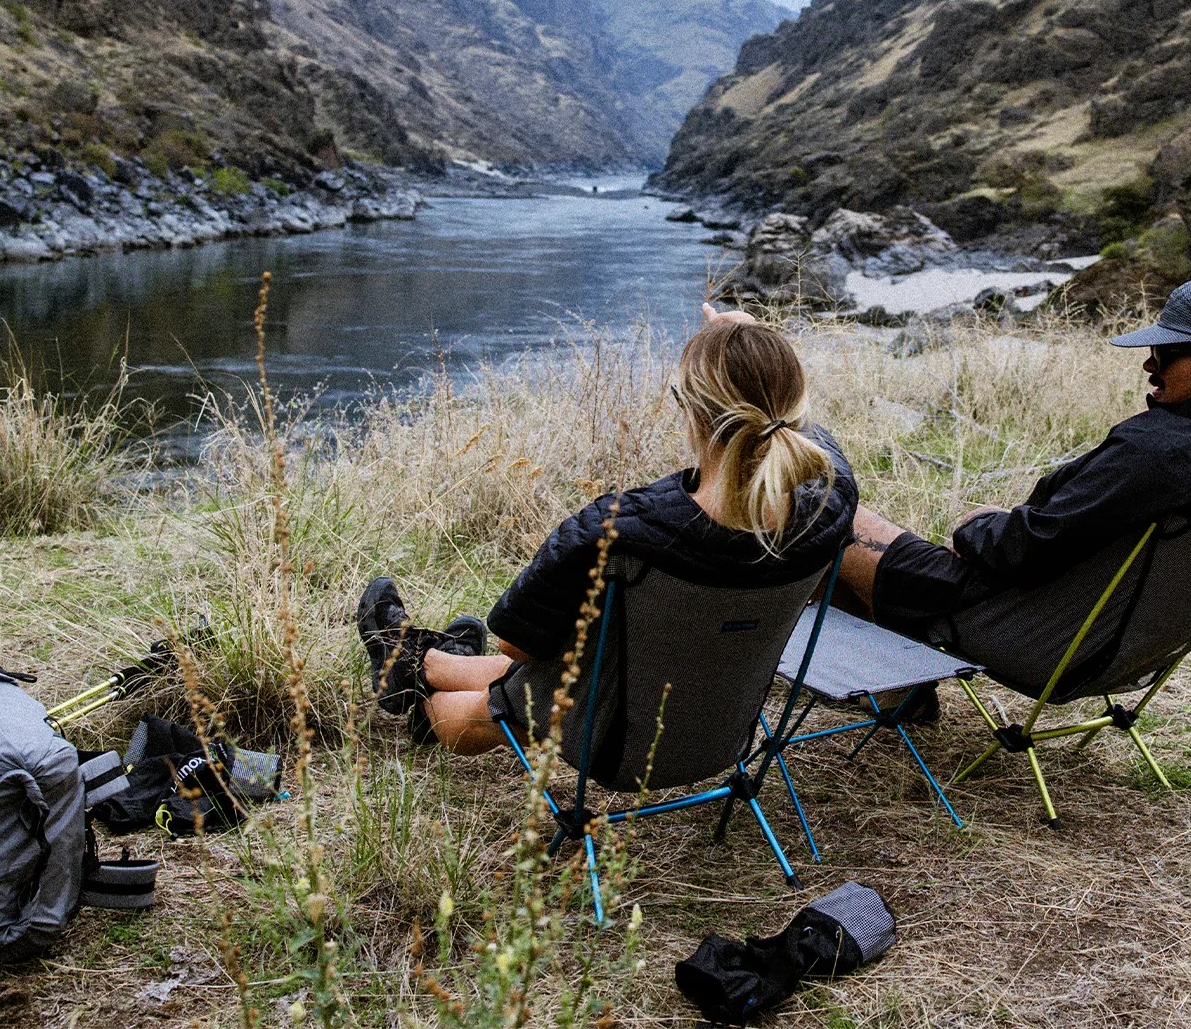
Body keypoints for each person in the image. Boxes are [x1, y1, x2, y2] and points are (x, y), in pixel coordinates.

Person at [356, 306, 858, 753]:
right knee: (593, 663)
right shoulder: (831, 505)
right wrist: (755, 348)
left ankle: (418, 670)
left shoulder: (617, 528)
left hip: (614, 740)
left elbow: (515, 644)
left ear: (687, 409)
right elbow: (811, 440)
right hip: (723, 729)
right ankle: (428, 660)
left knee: (492, 699)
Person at [838, 276, 1191, 651]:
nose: (1149, 365)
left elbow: (1020, 550)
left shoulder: (1161, 451)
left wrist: (977, 525)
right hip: (1124, 649)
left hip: (1019, 627)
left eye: (1166, 353)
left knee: (826, 515)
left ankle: (890, 683)